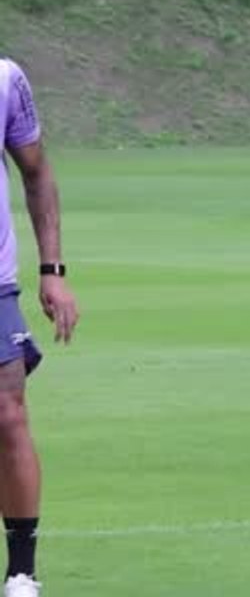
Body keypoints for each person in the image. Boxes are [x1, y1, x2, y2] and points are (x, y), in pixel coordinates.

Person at [0, 57, 80, 597]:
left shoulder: (5, 79)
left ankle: (21, 571)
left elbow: (36, 171)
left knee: (8, 415)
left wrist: (53, 270)